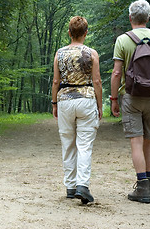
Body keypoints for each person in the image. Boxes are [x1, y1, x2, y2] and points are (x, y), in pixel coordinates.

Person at [111, 0, 150, 203]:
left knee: (136, 143)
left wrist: (113, 99)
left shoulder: (123, 40)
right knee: (149, 143)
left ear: (130, 18)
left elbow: (117, 72)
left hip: (131, 97)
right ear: (148, 18)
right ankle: (149, 187)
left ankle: (142, 188)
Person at [52, 16, 103, 204]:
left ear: (69, 33)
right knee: (84, 145)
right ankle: (83, 185)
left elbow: (56, 81)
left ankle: (70, 187)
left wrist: (54, 103)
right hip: (86, 99)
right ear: (86, 33)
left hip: (65, 99)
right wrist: (99, 104)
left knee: (67, 143)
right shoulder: (92, 53)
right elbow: (97, 81)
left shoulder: (60, 53)